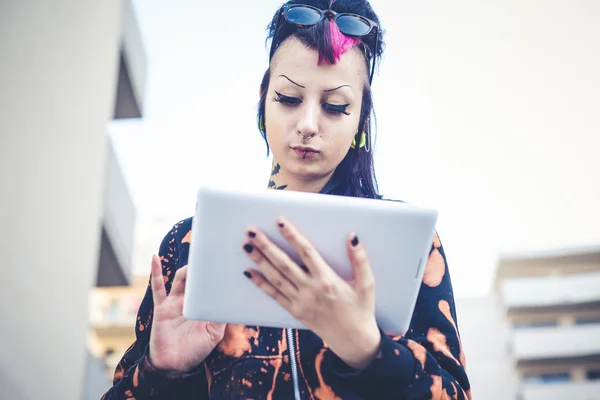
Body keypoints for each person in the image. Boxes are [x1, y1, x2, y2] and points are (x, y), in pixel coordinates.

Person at [101, 0, 471, 399]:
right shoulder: (191, 244)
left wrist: (369, 350)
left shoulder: (409, 243)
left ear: (361, 119)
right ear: (263, 99)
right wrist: (163, 371)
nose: (308, 125)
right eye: (289, 99)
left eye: (335, 107)